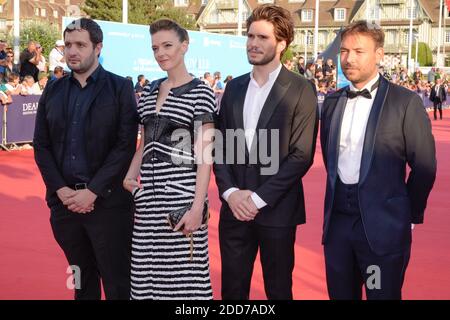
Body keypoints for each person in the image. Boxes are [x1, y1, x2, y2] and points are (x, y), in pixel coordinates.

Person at [320, 20, 436, 300]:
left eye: (359, 51)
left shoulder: (404, 102)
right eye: (345, 51)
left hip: (382, 230)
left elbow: (424, 167)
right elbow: (329, 157)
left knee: (381, 294)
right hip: (337, 228)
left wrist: (407, 214)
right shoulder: (332, 102)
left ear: (379, 55)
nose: (349, 59)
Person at [213, 4, 318, 300]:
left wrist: (257, 200)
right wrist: (231, 193)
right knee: (232, 291)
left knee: (278, 290)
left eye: (262, 37)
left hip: (278, 211)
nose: (253, 43)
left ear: (282, 44)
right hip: (234, 211)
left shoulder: (300, 89)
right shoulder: (234, 88)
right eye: (250, 36)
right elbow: (221, 146)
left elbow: (301, 155)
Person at [33, 18, 139, 300]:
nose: (72, 51)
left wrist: (92, 192)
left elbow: (124, 146)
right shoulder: (52, 90)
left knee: (119, 284)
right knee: (80, 281)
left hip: (108, 207)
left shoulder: (119, 88)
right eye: (68, 45)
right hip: (65, 209)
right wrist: (61, 190)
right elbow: (41, 146)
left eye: (80, 45)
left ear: (98, 47)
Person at [123, 19, 216, 300]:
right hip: (147, 203)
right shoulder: (150, 90)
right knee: (145, 278)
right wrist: (129, 178)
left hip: (182, 201)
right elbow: (145, 142)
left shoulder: (201, 92)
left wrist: (197, 207)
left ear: (184, 46)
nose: (160, 53)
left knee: (185, 283)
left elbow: (205, 156)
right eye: (155, 48)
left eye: (167, 45)